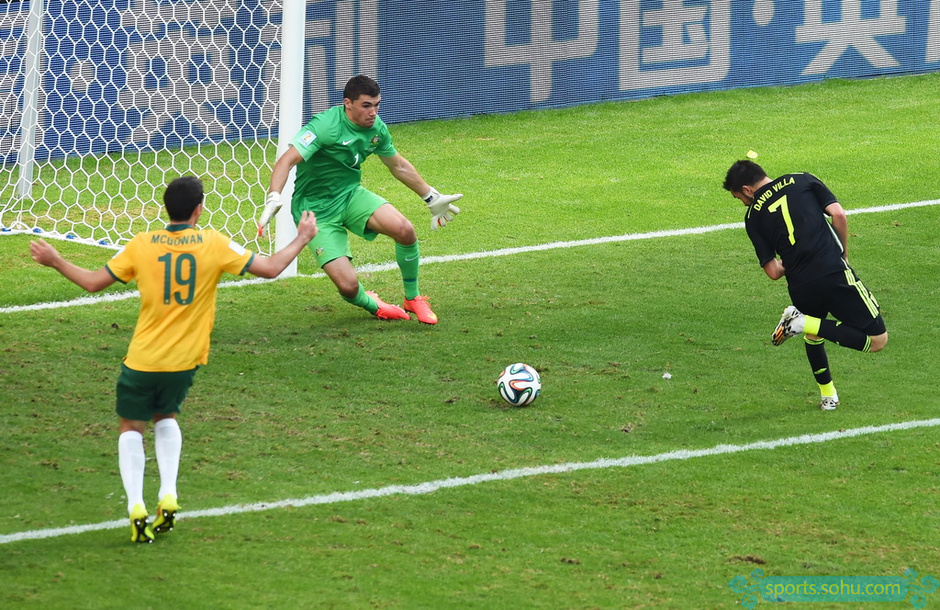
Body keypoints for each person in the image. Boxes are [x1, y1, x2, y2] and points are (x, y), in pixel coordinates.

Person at [29, 176, 318, 543]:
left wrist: (56, 260)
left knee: (131, 427)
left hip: (142, 360)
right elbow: (272, 268)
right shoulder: (214, 243)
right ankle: (168, 492)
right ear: (199, 209)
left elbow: (92, 282)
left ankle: (136, 505)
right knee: (166, 416)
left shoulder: (141, 244)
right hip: (183, 362)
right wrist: (302, 237)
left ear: (167, 208)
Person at [258, 74, 462, 325]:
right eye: (366, 105)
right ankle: (373, 304)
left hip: (350, 195)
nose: (373, 112)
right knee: (348, 286)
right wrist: (274, 196)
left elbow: (398, 165)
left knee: (405, 230)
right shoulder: (324, 126)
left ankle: (413, 297)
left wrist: (430, 196)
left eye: (377, 105)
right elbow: (286, 160)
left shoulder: (377, 129)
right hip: (315, 211)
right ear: (348, 103)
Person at [722, 159, 888, 411]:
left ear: (747, 189)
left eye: (740, 199)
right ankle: (798, 322)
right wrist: (843, 253)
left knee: (815, 332)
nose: (744, 203)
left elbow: (773, 272)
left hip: (800, 284)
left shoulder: (752, 217)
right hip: (833, 272)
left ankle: (828, 396)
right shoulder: (802, 179)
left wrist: (794, 259)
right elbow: (838, 214)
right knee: (877, 340)